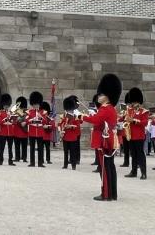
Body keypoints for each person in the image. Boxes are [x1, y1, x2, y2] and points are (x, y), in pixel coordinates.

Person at [82, 73, 121, 201]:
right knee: (110, 167)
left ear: (108, 96)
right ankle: (112, 193)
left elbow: (95, 120)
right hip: (109, 141)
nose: (99, 96)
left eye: (101, 94)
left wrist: (80, 116)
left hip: (104, 141)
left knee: (104, 168)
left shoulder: (105, 109)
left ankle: (105, 194)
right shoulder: (110, 109)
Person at [123, 87, 149, 180]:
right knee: (133, 154)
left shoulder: (144, 111)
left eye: (134, 102)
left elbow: (145, 123)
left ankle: (143, 172)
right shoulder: (129, 110)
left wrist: (133, 120)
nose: (133, 104)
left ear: (139, 102)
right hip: (131, 135)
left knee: (140, 154)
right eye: (132, 102)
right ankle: (133, 171)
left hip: (139, 136)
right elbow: (124, 119)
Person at [59, 95, 82, 170]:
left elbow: (77, 126)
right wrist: (60, 130)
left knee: (73, 152)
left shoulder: (76, 116)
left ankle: (73, 165)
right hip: (65, 136)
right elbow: (59, 124)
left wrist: (71, 126)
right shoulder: (64, 117)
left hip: (73, 137)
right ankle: (65, 164)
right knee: (66, 152)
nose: (69, 111)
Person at [26, 91, 45, 167]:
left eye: (37, 104)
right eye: (35, 104)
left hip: (40, 132)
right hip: (32, 132)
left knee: (40, 148)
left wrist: (40, 117)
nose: (36, 106)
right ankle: (32, 162)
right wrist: (32, 119)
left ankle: (40, 163)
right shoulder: (29, 112)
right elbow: (26, 120)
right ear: (32, 104)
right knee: (32, 148)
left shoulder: (43, 112)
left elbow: (45, 121)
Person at [0, 93, 15, 166]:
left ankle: (10, 161)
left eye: (7, 106)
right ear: (3, 105)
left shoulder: (11, 113)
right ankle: (0, 161)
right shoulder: (0, 113)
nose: (6, 107)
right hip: (3, 133)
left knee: (10, 148)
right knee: (2, 148)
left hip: (10, 133)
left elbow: (14, 122)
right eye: (5, 106)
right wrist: (5, 119)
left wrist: (12, 119)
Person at [13, 96, 29, 164]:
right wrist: (17, 120)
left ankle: (24, 158)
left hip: (24, 131)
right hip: (17, 130)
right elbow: (13, 120)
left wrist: (25, 121)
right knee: (17, 145)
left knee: (24, 146)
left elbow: (29, 119)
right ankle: (17, 157)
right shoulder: (15, 111)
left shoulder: (27, 111)